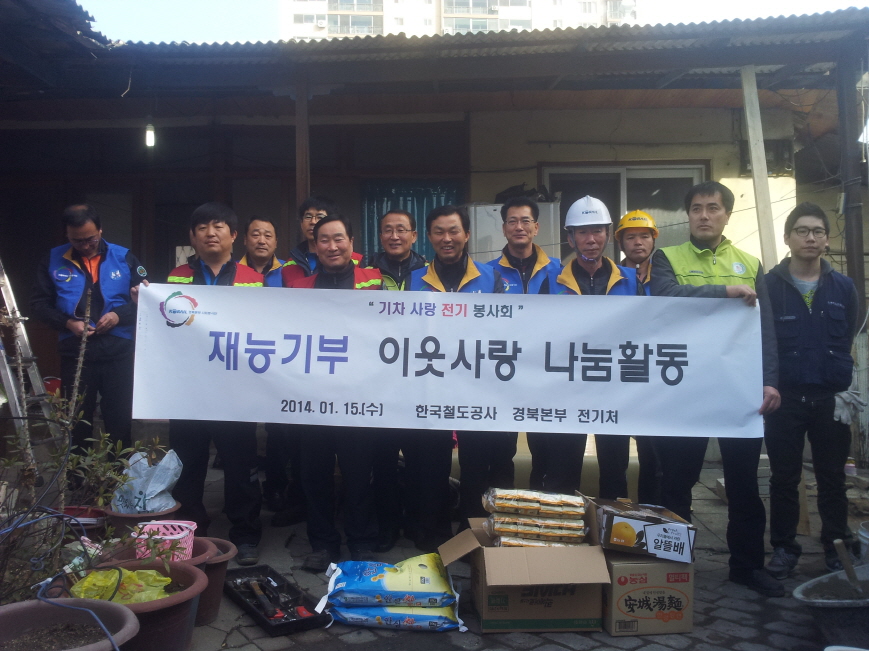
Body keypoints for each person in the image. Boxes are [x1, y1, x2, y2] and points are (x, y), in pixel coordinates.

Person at [650, 181, 782, 597]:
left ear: (727, 215)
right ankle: (672, 566)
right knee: (677, 482)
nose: (704, 215)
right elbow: (667, 297)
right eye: (696, 208)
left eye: (713, 208)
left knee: (744, 484)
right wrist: (724, 292)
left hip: (738, 392)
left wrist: (769, 380)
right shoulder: (667, 258)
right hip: (685, 390)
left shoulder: (750, 263)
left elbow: (764, 328)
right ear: (687, 215)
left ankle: (747, 567)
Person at [764, 202, 860, 577]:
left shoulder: (843, 287)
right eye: (802, 231)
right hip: (784, 398)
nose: (810, 237)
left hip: (829, 399)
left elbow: (847, 336)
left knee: (832, 479)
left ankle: (836, 547)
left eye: (818, 231)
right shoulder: (769, 285)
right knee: (784, 479)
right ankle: (785, 549)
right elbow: (763, 340)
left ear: (827, 239)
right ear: (787, 238)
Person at [166, 202, 265, 566]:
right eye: (202, 227)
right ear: (192, 237)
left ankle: (246, 532)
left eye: (219, 226)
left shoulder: (254, 279)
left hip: (235, 389)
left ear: (234, 235)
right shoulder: (175, 278)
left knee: (240, 464)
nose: (210, 233)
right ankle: (190, 529)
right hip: (188, 388)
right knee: (188, 462)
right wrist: (143, 303)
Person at [286, 214, 384, 571]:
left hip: (360, 397)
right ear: (314, 246)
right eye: (323, 240)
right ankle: (323, 543)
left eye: (339, 238)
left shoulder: (374, 284)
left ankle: (362, 541)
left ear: (352, 242)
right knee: (315, 475)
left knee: (359, 474)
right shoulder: (299, 289)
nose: (332, 246)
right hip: (313, 399)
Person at [410, 205, 511, 530]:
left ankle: (472, 535)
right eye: (439, 232)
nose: (447, 238)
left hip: (476, 389)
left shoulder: (490, 277)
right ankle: (432, 532)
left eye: (453, 231)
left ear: (466, 234)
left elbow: (504, 330)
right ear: (429, 237)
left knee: (476, 466)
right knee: (431, 464)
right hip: (431, 387)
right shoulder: (415, 280)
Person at [30, 204, 147, 451]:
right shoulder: (52, 259)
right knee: (77, 420)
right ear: (67, 234)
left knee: (119, 419)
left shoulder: (124, 257)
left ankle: (117, 472)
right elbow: (39, 305)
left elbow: (146, 299)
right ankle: (78, 474)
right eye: (77, 240)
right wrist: (68, 323)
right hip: (75, 352)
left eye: (90, 239)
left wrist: (118, 315)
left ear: (101, 230)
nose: (84, 245)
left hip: (118, 350)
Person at [551, 196, 644, 501]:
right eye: (582, 232)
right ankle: (564, 527)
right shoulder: (553, 282)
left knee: (616, 470)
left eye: (597, 231)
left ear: (608, 235)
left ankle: (614, 528)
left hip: (615, 390)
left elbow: (645, 331)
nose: (591, 240)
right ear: (570, 238)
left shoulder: (630, 280)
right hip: (568, 390)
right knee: (564, 470)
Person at [367, 210, 441, 552]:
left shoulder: (430, 272)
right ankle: (386, 527)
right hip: (379, 383)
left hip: (420, 381)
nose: (394, 236)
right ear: (380, 235)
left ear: (414, 235)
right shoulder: (365, 273)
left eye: (401, 230)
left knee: (421, 460)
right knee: (381, 461)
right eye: (387, 230)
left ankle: (419, 525)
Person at [486, 197, 571, 494]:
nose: (519, 227)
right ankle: (501, 508)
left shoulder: (560, 271)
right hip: (502, 374)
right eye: (512, 221)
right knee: (500, 452)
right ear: (504, 229)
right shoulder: (487, 273)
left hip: (545, 375)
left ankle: (542, 509)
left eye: (525, 221)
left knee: (545, 451)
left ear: (536, 227)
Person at [238, 216, 305, 525]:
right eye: (255, 234)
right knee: (242, 431)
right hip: (242, 359)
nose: (261, 240)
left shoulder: (289, 272)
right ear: (244, 240)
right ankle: (245, 491)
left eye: (268, 235)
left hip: (280, 360)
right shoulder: (233, 272)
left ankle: (277, 488)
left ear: (277, 242)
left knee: (280, 430)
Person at [614, 210, 662, 505]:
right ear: (620, 242)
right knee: (613, 461)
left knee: (653, 460)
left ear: (653, 239)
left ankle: (650, 516)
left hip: (653, 381)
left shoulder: (666, 277)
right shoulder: (611, 277)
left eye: (644, 236)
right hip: (615, 380)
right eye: (630, 237)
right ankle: (612, 518)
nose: (638, 242)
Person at [280, 196, 363, 287]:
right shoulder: (288, 266)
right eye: (308, 217)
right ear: (301, 223)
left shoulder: (357, 260)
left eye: (320, 217)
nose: (313, 222)